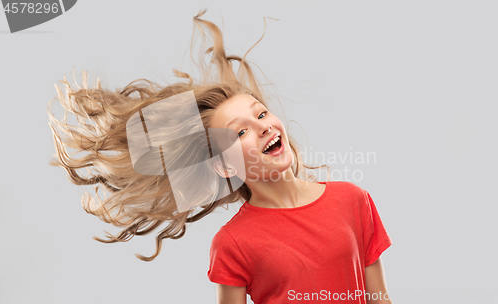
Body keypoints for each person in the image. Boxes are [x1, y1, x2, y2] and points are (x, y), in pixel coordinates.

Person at [47, 8, 393, 304]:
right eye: (239, 132)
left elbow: (381, 298)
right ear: (224, 164)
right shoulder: (232, 243)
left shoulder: (353, 200)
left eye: (260, 114)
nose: (262, 127)